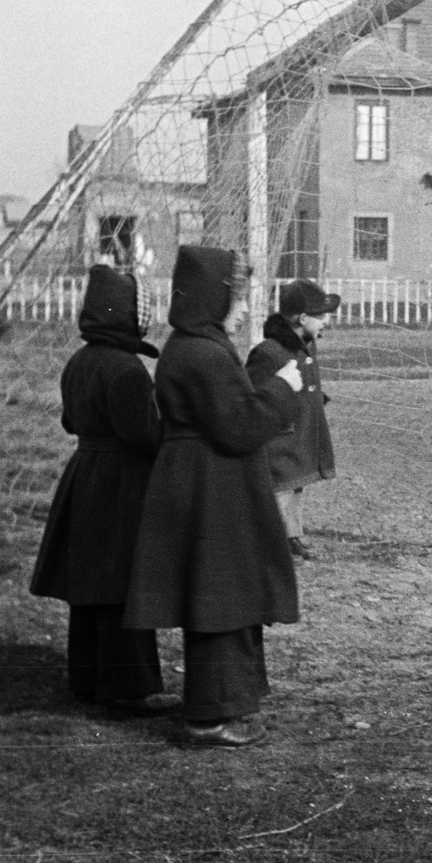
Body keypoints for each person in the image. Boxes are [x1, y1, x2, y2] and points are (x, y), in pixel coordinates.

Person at [123, 246, 304, 748]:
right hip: (211, 485)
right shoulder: (203, 352)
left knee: (222, 593)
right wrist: (283, 389)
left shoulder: (191, 344)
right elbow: (239, 426)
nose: (245, 309)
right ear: (216, 296)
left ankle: (227, 701)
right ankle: (210, 716)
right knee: (219, 595)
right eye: (239, 298)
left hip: (204, 480)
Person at [29, 265, 175, 714]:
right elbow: (145, 435)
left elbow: (71, 421)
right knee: (120, 584)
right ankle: (129, 687)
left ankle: (88, 679)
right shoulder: (126, 369)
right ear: (127, 316)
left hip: (85, 475)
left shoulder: (80, 361)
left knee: (90, 587)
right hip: (120, 484)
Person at [246, 279, 341, 562]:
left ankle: (292, 534)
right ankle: (270, 539)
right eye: (321, 316)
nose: (326, 322)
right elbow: (255, 395)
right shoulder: (268, 353)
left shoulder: (307, 346)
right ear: (302, 318)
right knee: (281, 486)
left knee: (298, 482)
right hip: (280, 437)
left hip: (301, 429)